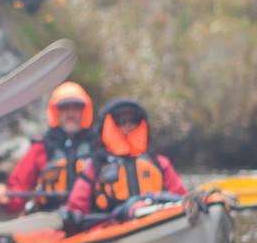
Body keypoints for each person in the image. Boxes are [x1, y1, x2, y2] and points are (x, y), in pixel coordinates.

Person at [60, 98, 189, 234]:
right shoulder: (96, 165)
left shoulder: (159, 163)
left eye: (133, 121)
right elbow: (76, 207)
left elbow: (182, 196)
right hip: (110, 228)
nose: (127, 125)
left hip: (156, 222)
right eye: (120, 121)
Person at [0, 80, 96, 213]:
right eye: (65, 108)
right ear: (56, 112)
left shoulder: (97, 144)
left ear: (84, 111)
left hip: (90, 218)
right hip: (51, 219)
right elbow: (18, 191)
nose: (70, 114)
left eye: (76, 107)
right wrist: (4, 196)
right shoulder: (41, 147)